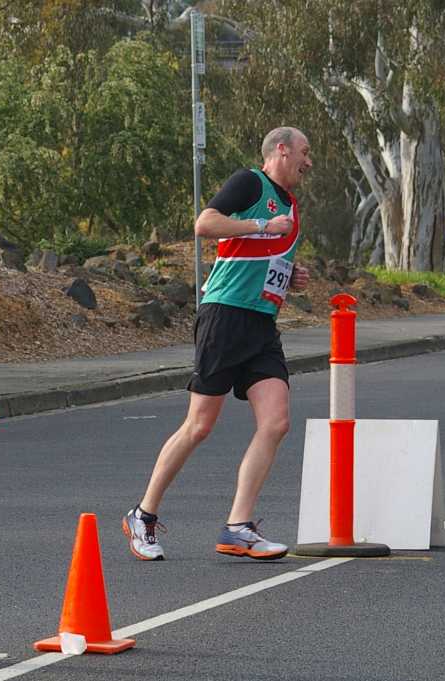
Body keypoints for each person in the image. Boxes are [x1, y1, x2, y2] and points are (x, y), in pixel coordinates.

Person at [122, 127, 312, 561]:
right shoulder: (250, 183)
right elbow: (205, 224)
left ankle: (238, 526)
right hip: (224, 316)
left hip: (262, 324)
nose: (309, 161)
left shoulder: (292, 205)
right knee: (199, 426)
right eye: (305, 152)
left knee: (277, 421)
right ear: (281, 150)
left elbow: (265, 257)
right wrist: (262, 224)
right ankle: (143, 515)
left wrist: (293, 275)